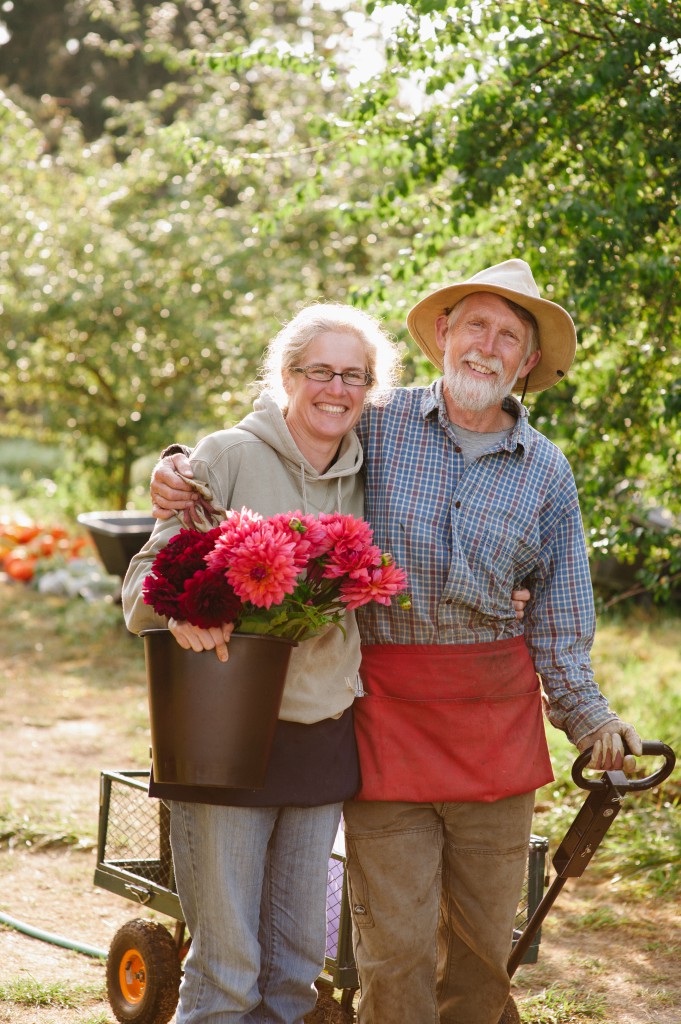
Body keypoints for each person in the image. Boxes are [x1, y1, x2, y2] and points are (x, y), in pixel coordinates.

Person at [149, 259, 641, 1024]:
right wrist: (179, 466)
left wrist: (591, 718)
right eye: (474, 324)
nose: (486, 346)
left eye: (507, 335)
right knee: (394, 945)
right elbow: (284, 438)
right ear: (443, 334)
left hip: (492, 723)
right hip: (382, 716)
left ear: (528, 362)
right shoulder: (375, 423)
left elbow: (559, 616)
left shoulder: (547, 472)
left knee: (483, 946)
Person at [122, 303, 402, 1024]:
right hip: (224, 738)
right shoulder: (227, 456)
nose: (335, 389)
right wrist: (181, 614)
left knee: (292, 975)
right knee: (226, 975)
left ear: (370, 390)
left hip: (320, 732)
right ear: (285, 375)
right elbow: (140, 587)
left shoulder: (372, 470)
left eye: (353, 376)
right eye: (318, 371)